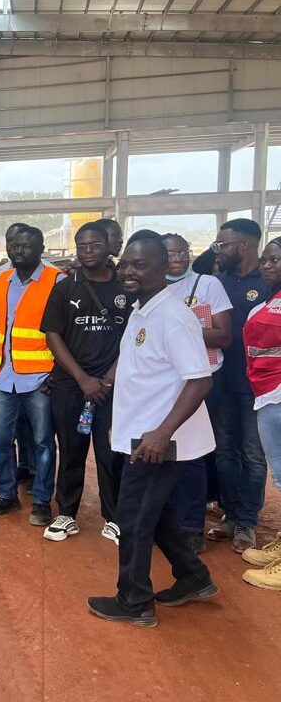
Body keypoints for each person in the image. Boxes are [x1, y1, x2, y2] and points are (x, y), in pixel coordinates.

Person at [87, 234, 217, 628]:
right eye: (126, 263)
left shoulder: (173, 316)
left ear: (165, 268)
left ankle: (134, 601)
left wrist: (162, 433)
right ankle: (194, 577)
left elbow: (199, 380)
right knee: (153, 514)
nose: (128, 271)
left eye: (139, 265)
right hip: (140, 434)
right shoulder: (143, 311)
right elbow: (139, 370)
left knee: (134, 518)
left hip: (158, 441)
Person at [40, 221, 127, 543]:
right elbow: (53, 335)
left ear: (109, 247)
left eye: (95, 245)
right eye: (82, 246)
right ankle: (66, 514)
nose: (88, 252)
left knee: (110, 452)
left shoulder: (125, 288)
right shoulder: (65, 287)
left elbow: (134, 338)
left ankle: (114, 517)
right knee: (71, 450)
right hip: (70, 385)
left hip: (112, 388)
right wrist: (82, 379)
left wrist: (107, 379)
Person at [0, 226, 63, 525]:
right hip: (5, 376)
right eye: (13, 245)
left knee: (43, 442)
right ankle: (7, 496)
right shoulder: (2, 280)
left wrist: (58, 372)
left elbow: (65, 333)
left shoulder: (57, 281)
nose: (18, 250)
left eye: (26, 246)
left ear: (41, 247)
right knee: (0, 440)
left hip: (41, 377)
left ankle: (41, 501)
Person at [162, 233, 233, 553]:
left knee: (191, 456)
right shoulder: (151, 287)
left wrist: (181, 328)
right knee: (163, 455)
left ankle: (191, 528)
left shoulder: (207, 285)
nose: (177, 258)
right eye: (170, 253)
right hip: (163, 382)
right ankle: (167, 522)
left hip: (199, 379)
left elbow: (223, 335)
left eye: (182, 252)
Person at [208, 218, 270, 552]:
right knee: (224, 452)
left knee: (253, 455)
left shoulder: (269, 282)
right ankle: (230, 514)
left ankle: (247, 522)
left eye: (223, 244)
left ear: (244, 245)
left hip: (257, 388)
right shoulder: (219, 282)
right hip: (222, 382)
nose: (218, 250)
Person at [240, 236, 281, 591]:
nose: (266, 265)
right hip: (267, 394)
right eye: (265, 260)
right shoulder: (271, 299)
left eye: (274, 260)